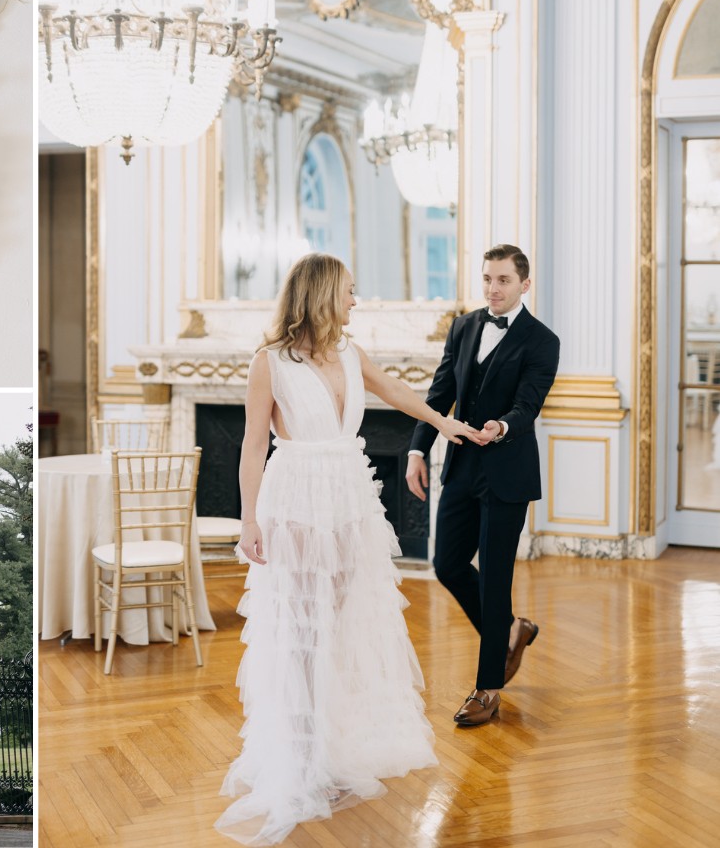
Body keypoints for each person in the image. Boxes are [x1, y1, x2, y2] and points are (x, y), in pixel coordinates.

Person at [217, 253, 488, 846]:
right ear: (319, 295)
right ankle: (299, 763)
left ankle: (328, 752)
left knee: (335, 633)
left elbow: (399, 394)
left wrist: (450, 427)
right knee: (299, 637)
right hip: (294, 504)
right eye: (348, 292)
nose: (355, 301)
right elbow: (251, 447)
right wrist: (248, 521)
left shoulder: (349, 352)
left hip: (347, 501)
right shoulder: (269, 363)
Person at [406, 243, 560, 727]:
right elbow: (440, 393)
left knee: (495, 579)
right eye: (487, 279)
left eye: (503, 281)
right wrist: (416, 448)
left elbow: (527, 404)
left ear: (524, 285)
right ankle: (512, 630)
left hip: (507, 471)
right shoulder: (464, 325)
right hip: (461, 466)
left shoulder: (542, 340)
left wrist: (502, 426)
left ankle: (487, 689)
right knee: (447, 564)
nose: (493, 289)